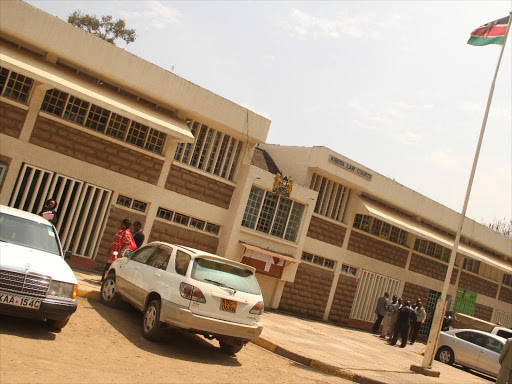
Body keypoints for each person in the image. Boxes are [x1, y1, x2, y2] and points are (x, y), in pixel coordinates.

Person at [101, 218, 137, 283]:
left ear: (124, 225)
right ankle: (103, 280)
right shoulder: (120, 231)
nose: (120, 225)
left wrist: (121, 251)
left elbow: (127, 243)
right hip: (113, 253)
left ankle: (106, 280)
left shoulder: (126, 233)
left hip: (117, 254)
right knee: (107, 266)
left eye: (122, 224)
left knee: (112, 268)